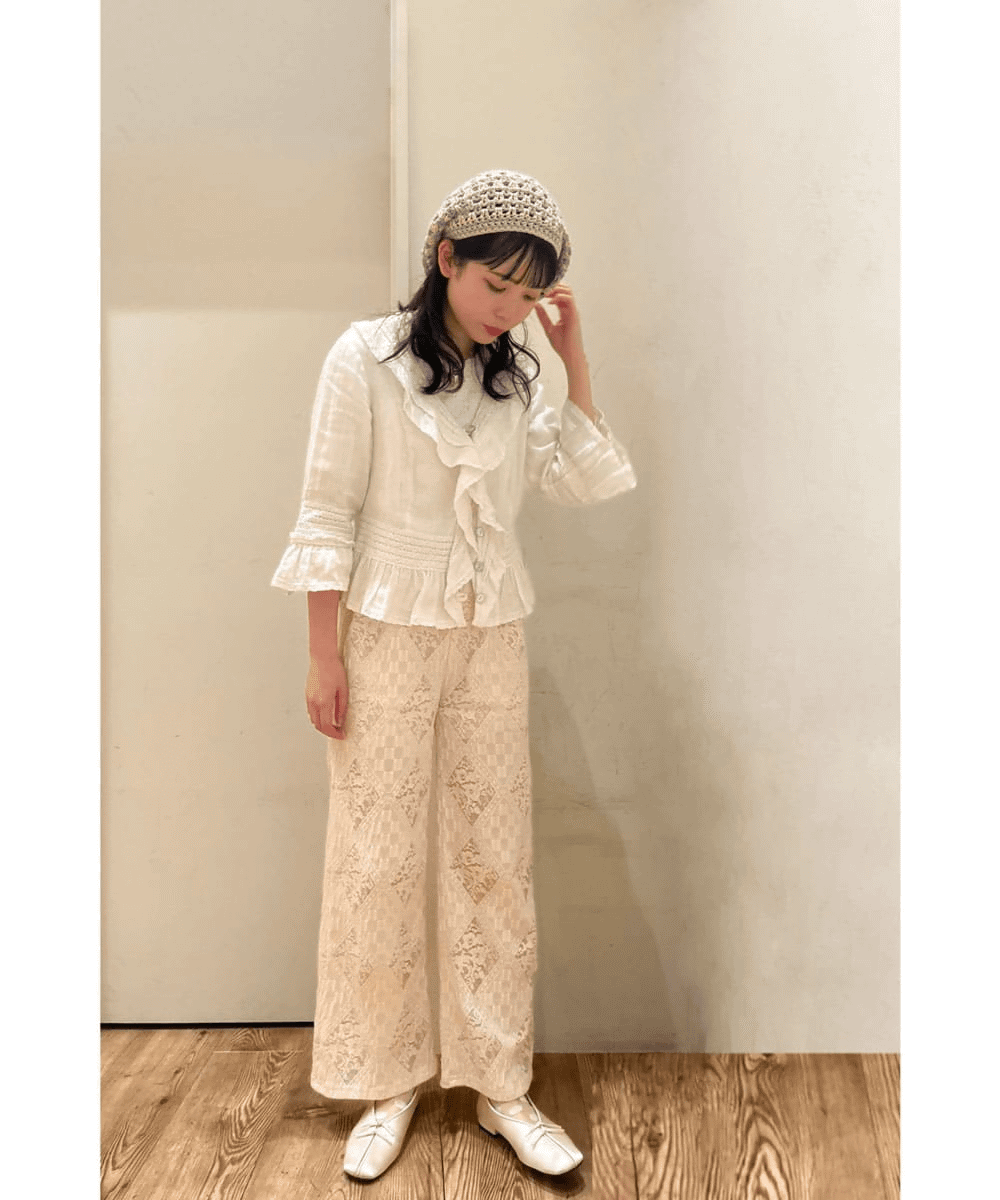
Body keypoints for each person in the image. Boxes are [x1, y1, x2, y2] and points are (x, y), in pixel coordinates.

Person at [271, 169, 637, 1180]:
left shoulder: (514, 376)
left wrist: (571, 358)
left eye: (528, 295)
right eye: (494, 286)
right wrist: (322, 654)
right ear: (445, 260)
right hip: (383, 631)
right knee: (377, 855)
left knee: (492, 856)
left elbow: (576, 477)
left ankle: (499, 1085)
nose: (507, 310)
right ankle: (387, 1082)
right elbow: (326, 510)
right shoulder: (364, 358)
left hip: (490, 633)